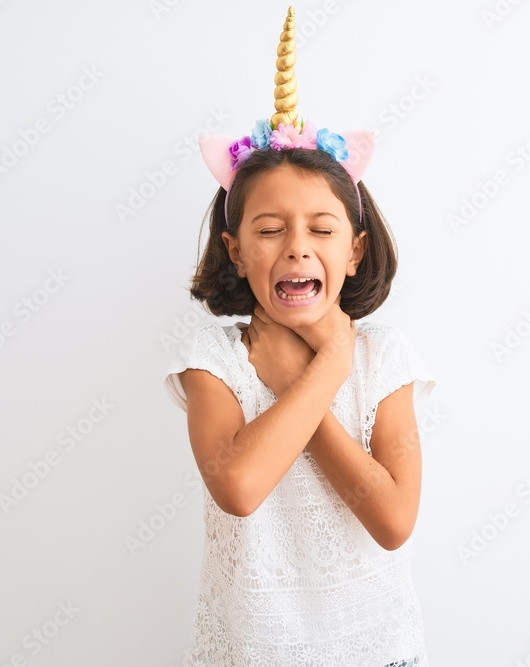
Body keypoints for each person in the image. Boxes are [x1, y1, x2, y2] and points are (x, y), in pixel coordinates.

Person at [162, 7, 436, 666]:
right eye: (268, 229)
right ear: (233, 250)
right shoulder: (211, 361)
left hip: (378, 649)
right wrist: (320, 371)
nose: (296, 248)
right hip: (252, 651)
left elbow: (393, 521)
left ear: (354, 250)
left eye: (321, 228)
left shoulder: (382, 356)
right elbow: (240, 486)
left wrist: (323, 366)